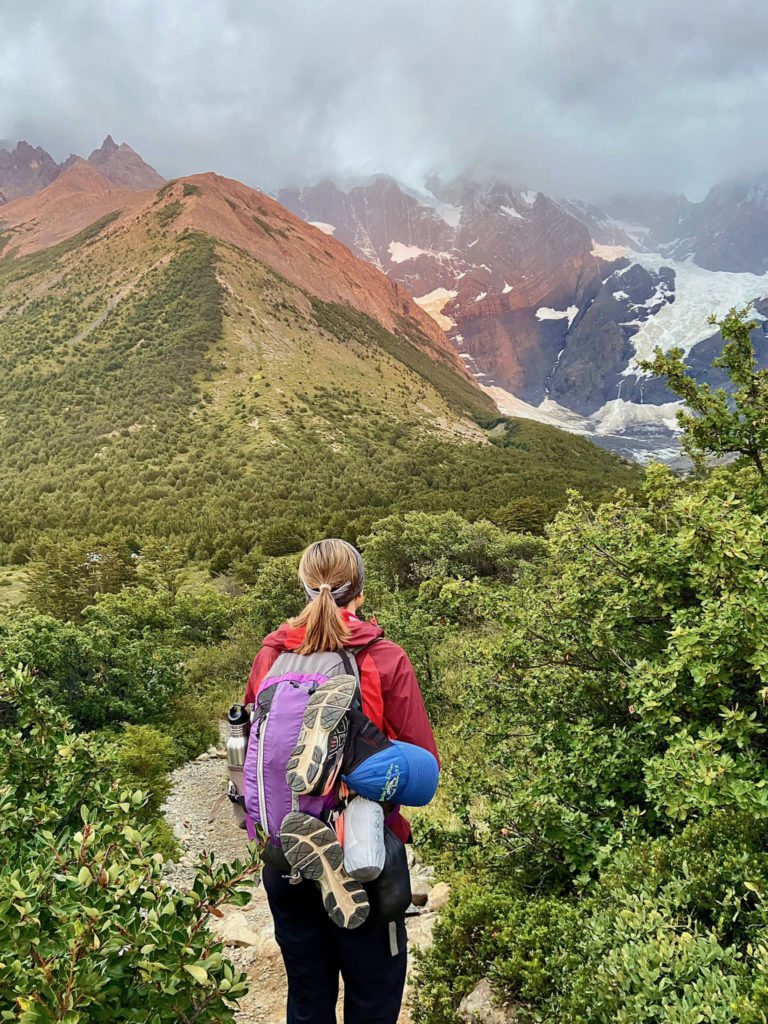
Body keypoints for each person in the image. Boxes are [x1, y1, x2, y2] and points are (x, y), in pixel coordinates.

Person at [244, 538, 439, 1024]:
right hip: (363, 856)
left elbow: (250, 743)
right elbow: (421, 763)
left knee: (307, 998)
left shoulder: (273, 653)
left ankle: (312, 803)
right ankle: (337, 778)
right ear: (361, 592)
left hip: (284, 852)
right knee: (372, 1001)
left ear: (304, 587)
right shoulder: (384, 656)